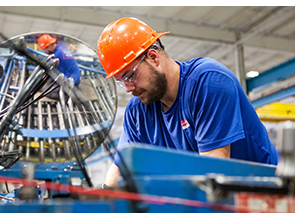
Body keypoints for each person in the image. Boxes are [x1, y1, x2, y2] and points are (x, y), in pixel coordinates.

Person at [96, 17, 280, 187]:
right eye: (121, 82)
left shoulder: (208, 81)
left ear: (153, 58)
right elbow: (120, 168)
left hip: (264, 194)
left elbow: (214, 170)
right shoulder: (138, 112)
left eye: (130, 76)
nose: (128, 88)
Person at [38, 34, 81, 100]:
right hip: (76, 75)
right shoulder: (61, 46)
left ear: (49, 46)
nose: (44, 52)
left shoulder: (55, 57)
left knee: (46, 92)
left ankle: (71, 97)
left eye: (44, 49)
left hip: (72, 82)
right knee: (50, 80)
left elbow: (48, 70)